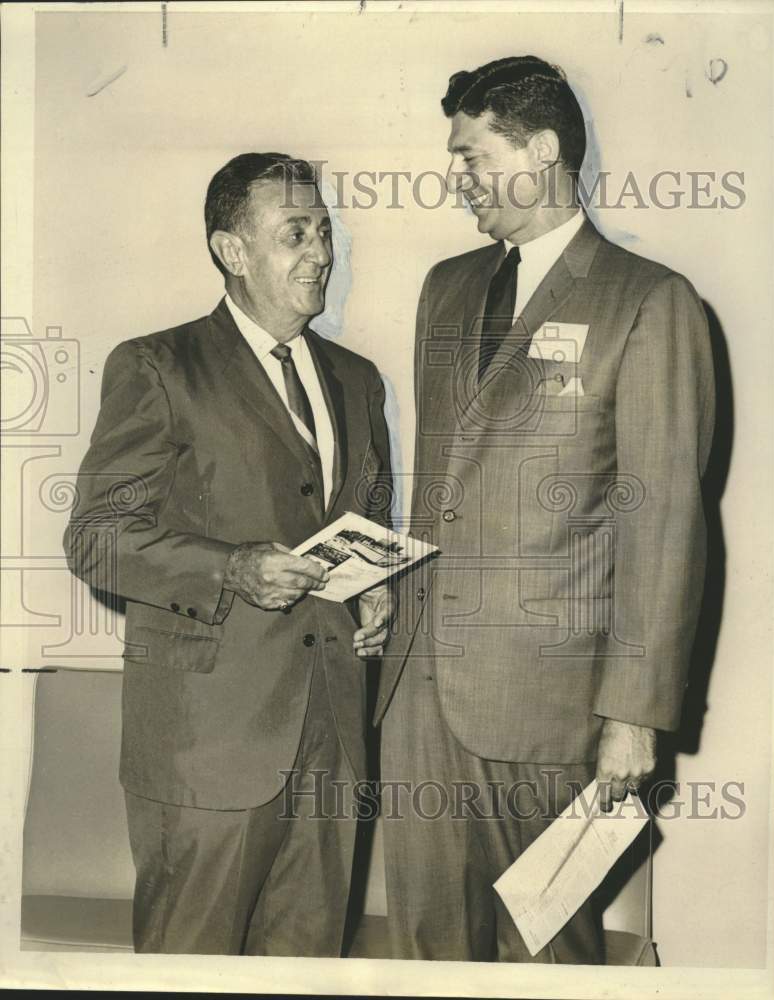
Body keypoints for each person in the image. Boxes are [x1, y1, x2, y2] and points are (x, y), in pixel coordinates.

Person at [376, 56, 715, 963]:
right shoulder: (444, 287)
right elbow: (449, 484)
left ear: (544, 150)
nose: (458, 178)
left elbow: (665, 523)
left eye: (473, 156)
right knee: (425, 950)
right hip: (420, 693)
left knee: (549, 955)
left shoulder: (648, 301)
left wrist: (634, 715)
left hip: (551, 705)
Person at [64, 152, 395, 955]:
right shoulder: (158, 366)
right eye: (294, 234)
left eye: (323, 232)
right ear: (232, 250)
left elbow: (366, 517)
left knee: (305, 973)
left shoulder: (357, 380)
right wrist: (233, 568)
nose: (320, 252)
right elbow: (96, 538)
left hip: (332, 741)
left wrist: (378, 593)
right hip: (206, 749)